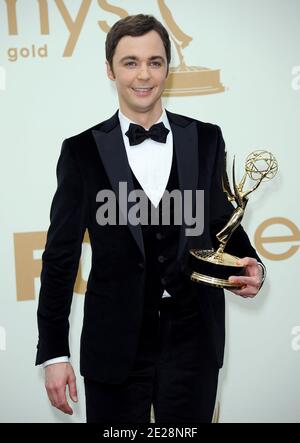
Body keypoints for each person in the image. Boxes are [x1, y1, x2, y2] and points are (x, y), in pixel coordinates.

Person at [36, 14, 265, 423]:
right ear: (110, 69)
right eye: (130, 62)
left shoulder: (206, 137)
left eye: (154, 62)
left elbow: (220, 219)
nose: (144, 75)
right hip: (115, 344)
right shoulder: (80, 152)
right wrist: (54, 352)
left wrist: (251, 265)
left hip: (194, 341)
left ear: (166, 68)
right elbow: (59, 259)